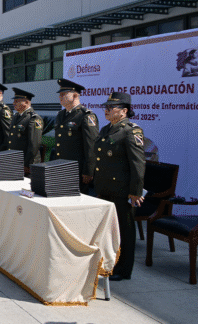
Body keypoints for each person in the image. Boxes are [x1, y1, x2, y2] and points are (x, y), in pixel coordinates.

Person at [93, 92, 145, 282]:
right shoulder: (107, 129)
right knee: (109, 231)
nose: (106, 110)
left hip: (122, 190)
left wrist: (135, 192)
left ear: (124, 111)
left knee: (124, 230)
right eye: (105, 107)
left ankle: (124, 270)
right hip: (106, 187)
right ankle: (110, 263)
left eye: (111, 107)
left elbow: (137, 164)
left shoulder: (131, 131)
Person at [52, 79, 99, 195]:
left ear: (75, 95)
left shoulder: (86, 116)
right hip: (60, 166)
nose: (60, 97)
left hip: (76, 170)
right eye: (60, 94)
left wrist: (88, 171)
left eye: (63, 94)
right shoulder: (61, 115)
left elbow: (91, 146)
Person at [7, 88, 43, 172]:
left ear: (26, 102)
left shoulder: (33, 118)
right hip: (15, 161)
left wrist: (27, 164)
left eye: (17, 101)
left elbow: (34, 144)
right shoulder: (16, 117)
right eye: (14, 101)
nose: (13, 103)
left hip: (26, 164)